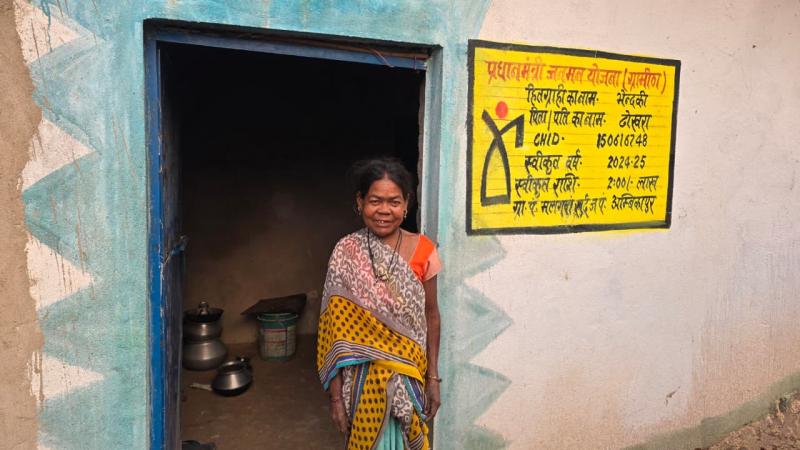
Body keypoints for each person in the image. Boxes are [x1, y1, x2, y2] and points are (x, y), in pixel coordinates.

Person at [317, 157, 442, 450]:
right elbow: (333, 333)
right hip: (361, 389)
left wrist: (433, 378)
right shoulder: (346, 252)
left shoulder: (424, 250)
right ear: (360, 202)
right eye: (375, 201)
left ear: (406, 204)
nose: (384, 210)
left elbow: (431, 315)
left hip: (408, 380)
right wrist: (336, 399)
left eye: (394, 202)